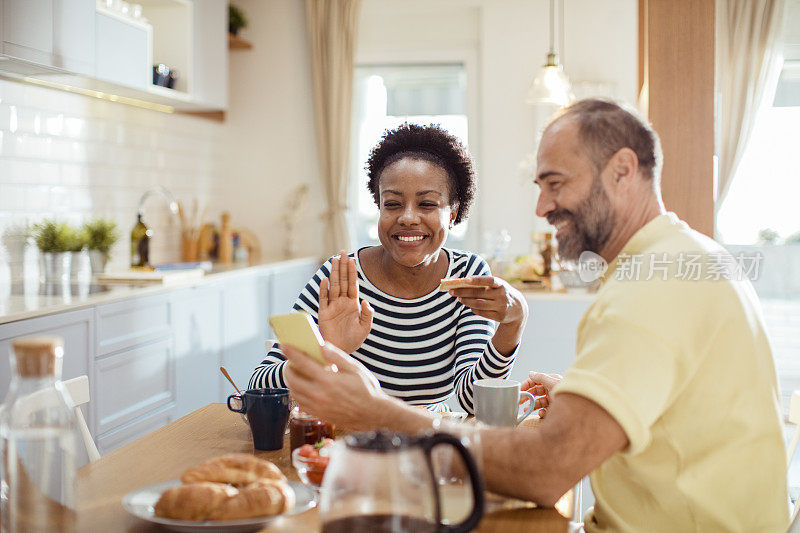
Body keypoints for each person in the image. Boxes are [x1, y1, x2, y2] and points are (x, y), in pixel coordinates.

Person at [282, 99, 789, 532]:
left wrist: (376, 412)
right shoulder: (682, 259)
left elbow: (546, 471)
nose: (541, 206)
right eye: (539, 186)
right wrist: (579, 389)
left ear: (622, 171)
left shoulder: (652, 288)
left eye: (555, 183)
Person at [250, 123, 528, 413]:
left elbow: (475, 402)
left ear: (453, 214)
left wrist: (513, 323)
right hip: (350, 440)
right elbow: (257, 384)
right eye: (393, 204)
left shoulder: (466, 276)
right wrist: (327, 352)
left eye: (427, 204)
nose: (408, 217)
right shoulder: (342, 276)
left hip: (426, 438)